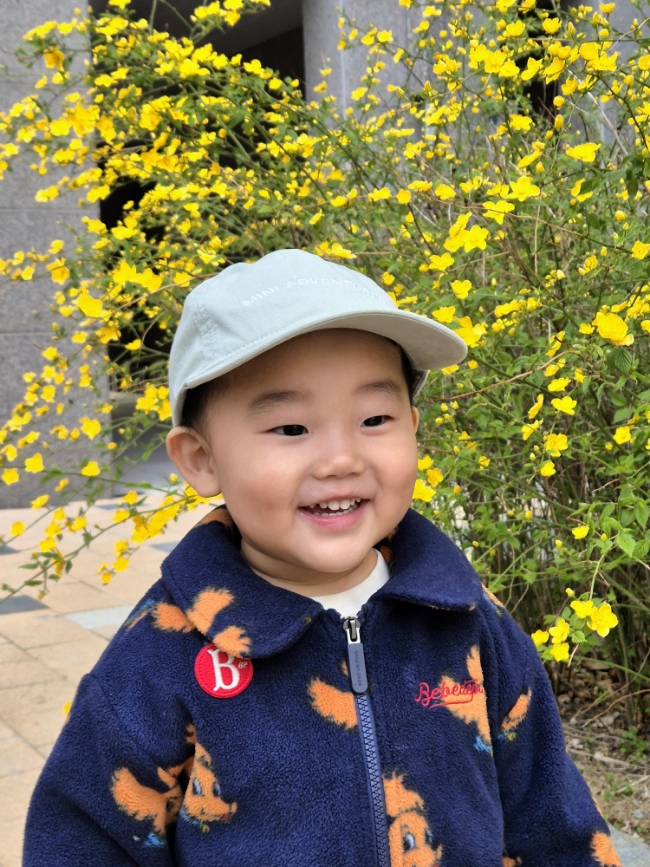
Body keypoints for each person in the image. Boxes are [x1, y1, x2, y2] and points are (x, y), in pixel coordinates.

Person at [24, 249, 620, 867]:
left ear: (414, 427)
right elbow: (82, 840)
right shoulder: (163, 653)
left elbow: (552, 817)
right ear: (201, 459)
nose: (341, 459)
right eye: (291, 429)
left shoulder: (466, 619)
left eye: (374, 418)